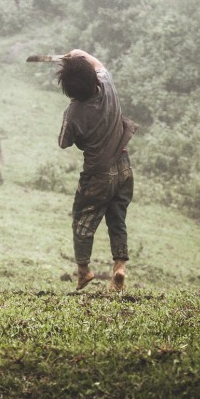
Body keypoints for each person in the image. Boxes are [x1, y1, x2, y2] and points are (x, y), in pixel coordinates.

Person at [57, 49, 138, 291]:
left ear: (69, 91)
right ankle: (120, 267)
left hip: (97, 175)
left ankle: (84, 271)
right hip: (123, 167)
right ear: (93, 78)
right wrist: (81, 53)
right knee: (117, 219)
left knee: (83, 222)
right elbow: (98, 64)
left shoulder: (73, 113)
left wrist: (71, 113)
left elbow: (63, 142)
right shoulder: (107, 84)